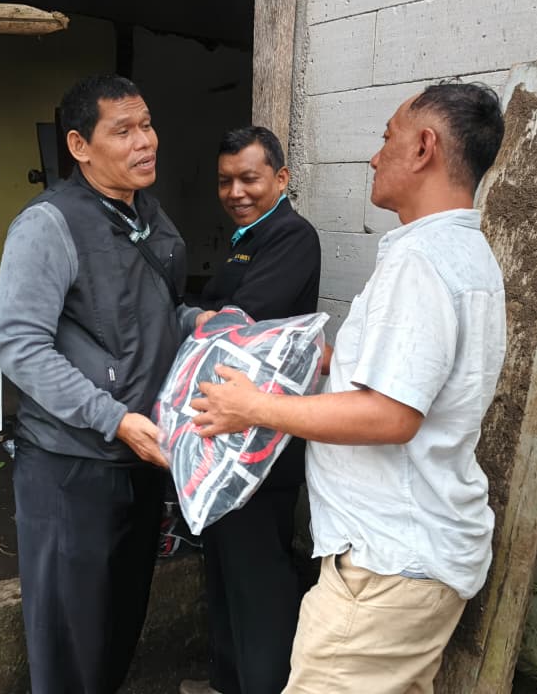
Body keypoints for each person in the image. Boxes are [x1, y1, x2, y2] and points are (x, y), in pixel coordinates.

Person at [191, 82, 506, 694]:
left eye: (387, 138)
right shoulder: (460, 251)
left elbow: (392, 416)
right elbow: (409, 380)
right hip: (409, 557)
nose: (374, 155)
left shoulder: (419, 262)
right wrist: (325, 359)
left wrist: (255, 407)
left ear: (424, 148)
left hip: (386, 569)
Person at [0, 74, 210, 694]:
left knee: (118, 627)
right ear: (80, 146)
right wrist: (110, 417)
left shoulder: (150, 217)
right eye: (124, 130)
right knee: (72, 641)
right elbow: (19, 345)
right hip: (71, 467)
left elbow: (157, 314)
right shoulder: (49, 225)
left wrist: (200, 321)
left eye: (147, 125)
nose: (146, 142)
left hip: (140, 456)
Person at [180, 127, 321, 694]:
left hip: (263, 443)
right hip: (228, 436)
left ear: (280, 179)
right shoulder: (248, 237)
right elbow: (218, 311)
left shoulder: (291, 236)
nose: (235, 192)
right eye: (225, 181)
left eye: (249, 179)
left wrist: (191, 315)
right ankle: (227, 682)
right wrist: (201, 314)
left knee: (257, 580)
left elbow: (236, 322)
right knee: (223, 569)